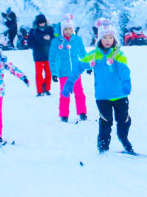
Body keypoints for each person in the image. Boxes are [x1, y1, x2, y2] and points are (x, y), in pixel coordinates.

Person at [81, 19, 133, 154]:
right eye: (104, 37)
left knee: (124, 119)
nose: (108, 40)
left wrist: (126, 82)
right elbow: (80, 63)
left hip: (120, 94)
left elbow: (124, 70)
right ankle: (103, 144)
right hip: (102, 96)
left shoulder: (119, 55)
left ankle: (123, 138)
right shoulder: (94, 54)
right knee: (106, 121)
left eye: (110, 37)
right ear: (99, 39)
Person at [50, 14, 88, 122]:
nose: (68, 31)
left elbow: (83, 54)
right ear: (62, 30)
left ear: (73, 29)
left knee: (79, 93)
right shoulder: (56, 42)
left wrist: (88, 66)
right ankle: (64, 115)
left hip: (76, 72)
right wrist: (54, 73)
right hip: (63, 72)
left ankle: (82, 113)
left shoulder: (77, 40)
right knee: (64, 94)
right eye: (65, 29)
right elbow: (52, 58)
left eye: (70, 29)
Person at [26, 13, 56, 97]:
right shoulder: (33, 31)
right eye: (40, 23)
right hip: (38, 55)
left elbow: (54, 39)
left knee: (48, 73)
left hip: (48, 54)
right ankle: (39, 90)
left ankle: (47, 88)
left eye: (43, 23)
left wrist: (49, 39)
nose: (42, 24)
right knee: (39, 74)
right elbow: (29, 42)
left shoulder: (49, 29)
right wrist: (36, 47)